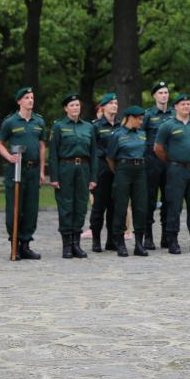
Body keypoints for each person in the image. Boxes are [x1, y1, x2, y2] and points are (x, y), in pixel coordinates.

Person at [0, 86, 46, 260]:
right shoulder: (10, 122)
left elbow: (41, 146)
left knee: (31, 209)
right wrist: (9, 156)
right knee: (15, 208)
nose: (30, 100)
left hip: (33, 169)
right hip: (16, 170)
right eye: (26, 98)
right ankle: (14, 244)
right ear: (19, 101)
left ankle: (26, 245)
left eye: (32, 97)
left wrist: (42, 171)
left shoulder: (39, 121)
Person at [154, 94, 190, 255]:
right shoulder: (168, 125)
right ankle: (173, 240)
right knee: (174, 205)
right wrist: (173, 160)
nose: (186, 107)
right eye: (183, 104)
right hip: (176, 169)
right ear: (175, 107)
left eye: (188, 104)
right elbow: (158, 148)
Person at [48, 92, 98, 259]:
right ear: (65, 108)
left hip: (83, 167)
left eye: (77, 105)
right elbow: (53, 154)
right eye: (72, 105)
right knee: (66, 206)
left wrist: (93, 177)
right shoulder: (59, 127)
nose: (75, 108)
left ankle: (77, 243)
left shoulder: (88, 127)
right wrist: (54, 177)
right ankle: (67, 245)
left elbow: (93, 154)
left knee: (81, 206)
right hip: (65, 167)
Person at [106, 106, 148, 257]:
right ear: (131, 117)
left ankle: (139, 244)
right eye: (139, 119)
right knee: (121, 207)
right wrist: (119, 172)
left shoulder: (142, 135)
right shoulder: (117, 134)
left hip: (140, 171)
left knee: (140, 207)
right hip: (123, 170)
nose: (141, 122)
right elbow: (110, 158)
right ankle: (120, 243)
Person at [144, 81, 173, 249]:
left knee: (169, 200)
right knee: (150, 199)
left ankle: (166, 236)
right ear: (154, 95)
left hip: (170, 162)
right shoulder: (148, 115)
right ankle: (148, 236)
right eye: (160, 93)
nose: (164, 95)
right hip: (152, 162)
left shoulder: (174, 114)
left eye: (166, 92)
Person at [89, 92, 120, 252]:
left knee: (114, 207)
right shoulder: (96, 126)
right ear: (103, 107)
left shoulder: (121, 126)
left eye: (116, 102)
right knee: (99, 208)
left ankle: (111, 240)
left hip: (117, 172)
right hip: (101, 171)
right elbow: (92, 151)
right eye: (111, 103)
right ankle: (96, 239)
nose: (114, 105)